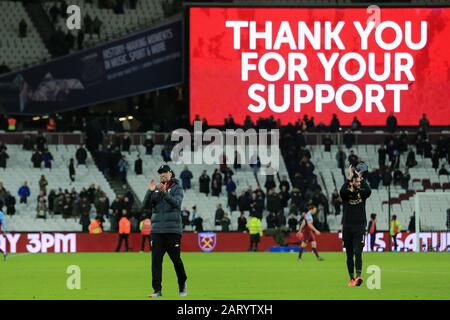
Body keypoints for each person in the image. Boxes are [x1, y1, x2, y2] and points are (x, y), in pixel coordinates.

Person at [143, 164, 187, 298]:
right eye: (160, 173)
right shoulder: (156, 189)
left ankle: (182, 284)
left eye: (164, 172)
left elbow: (177, 204)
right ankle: (157, 290)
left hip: (172, 230)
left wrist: (164, 193)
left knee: (176, 260)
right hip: (156, 231)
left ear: (170, 174)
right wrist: (150, 191)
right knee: (156, 261)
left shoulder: (177, 188)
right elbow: (145, 205)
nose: (162, 175)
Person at [340, 165, 372, 287]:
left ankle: (358, 276)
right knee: (349, 254)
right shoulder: (347, 194)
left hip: (360, 227)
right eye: (357, 181)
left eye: (359, 181)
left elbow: (369, 191)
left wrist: (360, 177)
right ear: (352, 182)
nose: (359, 183)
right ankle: (351, 278)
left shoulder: (362, 192)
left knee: (358, 251)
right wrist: (349, 178)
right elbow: (341, 192)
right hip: (347, 227)